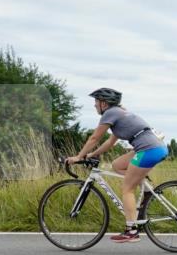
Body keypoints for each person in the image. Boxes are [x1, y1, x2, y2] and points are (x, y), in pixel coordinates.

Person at [66, 88, 167, 243]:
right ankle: (147, 191)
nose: (94, 106)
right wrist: (92, 155)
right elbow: (109, 142)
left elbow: (94, 138)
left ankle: (131, 231)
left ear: (104, 103)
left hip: (149, 149)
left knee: (127, 189)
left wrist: (78, 157)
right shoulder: (119, 114)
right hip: (154, 147)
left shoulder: (110, 113)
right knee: (117, 165)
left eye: (96, 102)